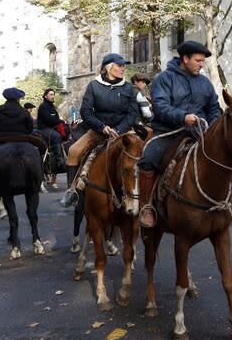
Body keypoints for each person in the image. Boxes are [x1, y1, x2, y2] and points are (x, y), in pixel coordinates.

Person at [136, 41, 221, 227]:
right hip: (169, 133)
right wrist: (183, 117)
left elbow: (214, 108)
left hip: (201, 133)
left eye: (203, 61)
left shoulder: (205, 83)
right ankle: (146, 206)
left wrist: (212, 129)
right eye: (198, 60)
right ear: (185, 58)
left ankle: (223, 203)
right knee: (148, 159)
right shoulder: (163, 79)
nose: (201, 64)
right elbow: (160, 106)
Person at [60, 53, 139, 206]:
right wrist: (102, 128)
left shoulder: (129, 87)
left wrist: (119, 129)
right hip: (98, 130)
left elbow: (132, 113)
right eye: (119, 65)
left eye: (123, 65)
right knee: (73, 151)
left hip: (124, 132)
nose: (123, 68)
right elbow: (86, 111)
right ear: (108, 68)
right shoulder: (93, 85)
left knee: (143, 151)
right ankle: (71, 191)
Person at [0, 88, 36, 190]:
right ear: (18, 99)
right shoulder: (25, 112)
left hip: (2, 140)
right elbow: (30, 129)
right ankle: (38, 179)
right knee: (41, 149)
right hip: (22, 139)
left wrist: (0, 135)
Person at [37, 88, 66, 171]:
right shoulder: (43, 106)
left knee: (68, 130)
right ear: (45, 96)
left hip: (52, 127)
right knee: (56, 136)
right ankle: (60, 161)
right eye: (51, 94)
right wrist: (60, 121)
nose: (53, 96)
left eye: (53, 94)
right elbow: (50, 120)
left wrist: (63, 123)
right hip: (44, 129)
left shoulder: (51, 106)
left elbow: (55, 118)